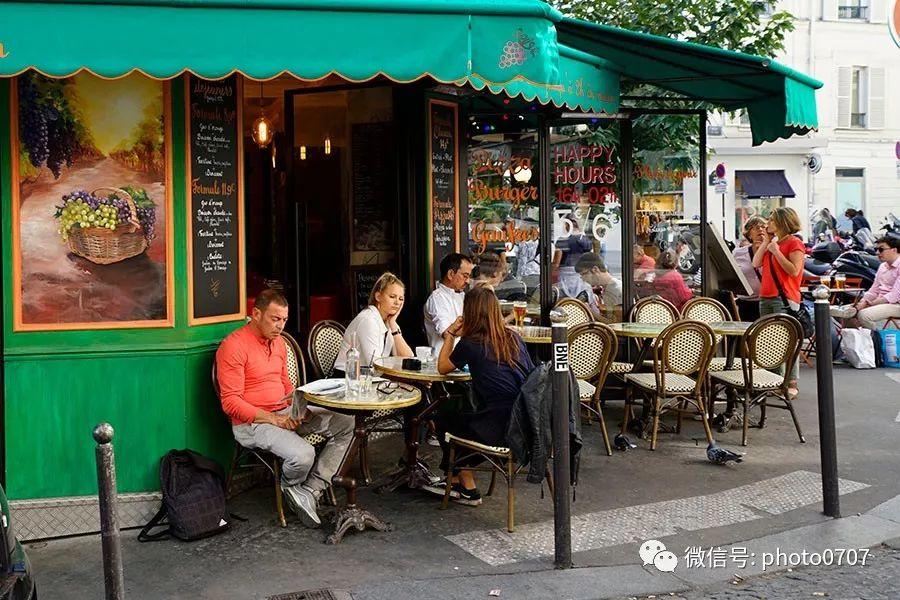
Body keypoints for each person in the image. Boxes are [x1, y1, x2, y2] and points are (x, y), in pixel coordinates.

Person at [216, 289, 354, 528]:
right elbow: (231, 403)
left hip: (283, 413)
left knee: (347, 424)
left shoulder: (278, 343)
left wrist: (298, 408)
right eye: (275, 319)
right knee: (303, 455)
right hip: (253, 423)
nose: (280, 326)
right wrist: (273, 419)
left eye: (284, 320)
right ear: (256, 314)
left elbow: (286, 387)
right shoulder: (234, 346)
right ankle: (292, 487)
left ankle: (311, 489)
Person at [432, 287, 534, 505]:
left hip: (502, 427)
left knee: (443, 417)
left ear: (469, 312)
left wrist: (450, 334)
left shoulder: (472, 343)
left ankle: (467, 484)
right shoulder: (514, 338)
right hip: (527, 423)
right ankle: (458, 478)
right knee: (463, 415)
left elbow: (442, 367)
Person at [754, 206, 805, 398]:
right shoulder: (773, 243)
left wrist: (776, 251)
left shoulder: (794, 243)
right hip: (766, 297)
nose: (768, 223)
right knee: (770, 340)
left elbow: (794, 270)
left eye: (772, 220)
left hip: (783, 298)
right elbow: (755, 263)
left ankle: (790, 382)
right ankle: (775, 380)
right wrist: (767, 242)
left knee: (787, 340)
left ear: (782, 222)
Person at [334, 272, 414, 373]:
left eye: (401, 299)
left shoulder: (389, 321)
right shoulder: (368, 320)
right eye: (392, 297)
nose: (397, 302)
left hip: (368, 377)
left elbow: (408, 359)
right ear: (378, 297)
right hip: (347, 378)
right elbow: (375, 365)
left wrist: (393, 325)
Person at [831, 235, 900, 330]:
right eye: (876, 249)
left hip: (896, 304)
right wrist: (863, 301)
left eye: (881, 249)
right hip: (881, 302)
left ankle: (876, 342)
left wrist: (870, 303)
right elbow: (874, 289)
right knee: (846, 313)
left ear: (894, 250)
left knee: (864, 315)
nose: (877, 253)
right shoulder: (883, 266)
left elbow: (895, 295)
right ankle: (856, 343)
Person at [424, 252, 474, 355]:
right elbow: (447, 333)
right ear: (451, 274)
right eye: (465, 276)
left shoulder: (462, 295)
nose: (468, 281)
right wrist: (477, 327)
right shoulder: (437, 298)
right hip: (443, 363)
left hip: (462, 360)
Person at [732, 216, 767, 321]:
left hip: (767, 301)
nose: (760, 230)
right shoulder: (738, 253)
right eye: (756, 227)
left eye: (763, 227)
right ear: (749, 233)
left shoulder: (772, 250)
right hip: (746, 302)